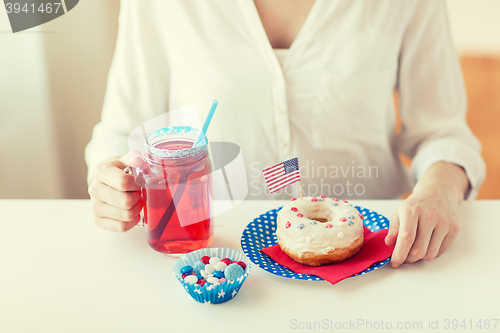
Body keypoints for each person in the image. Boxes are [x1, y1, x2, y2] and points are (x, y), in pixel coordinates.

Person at [86, 0, 485, 268]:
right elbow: (121, 133)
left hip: (374, 261)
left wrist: (439, 191)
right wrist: (112, 181)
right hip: (216, 260)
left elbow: (442, 133)